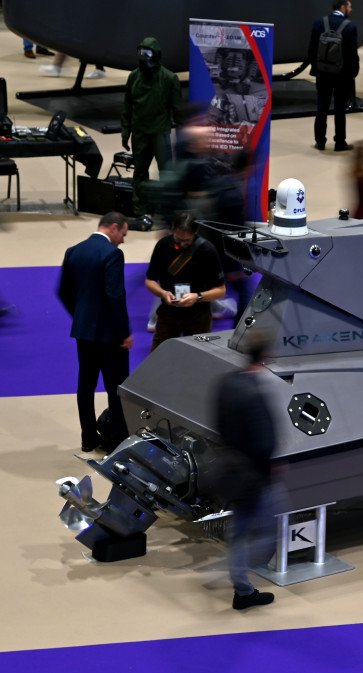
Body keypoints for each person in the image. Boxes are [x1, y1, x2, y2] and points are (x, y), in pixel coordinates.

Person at [214, 333, 281, 611]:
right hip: (255, 476)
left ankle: (241, 583)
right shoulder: (256, 393)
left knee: (241, 529)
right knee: (267, 532)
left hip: (231, 468)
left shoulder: (227, 382)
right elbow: (265, 442)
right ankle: (239, 578)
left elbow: (219, 424)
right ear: (264, 357)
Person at [57, 212, 133, 453]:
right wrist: (124, 333)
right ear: (114, 227)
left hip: (84, 332)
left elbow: (63, 291)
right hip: (110, 335)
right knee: (116, 387)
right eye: (123, 234)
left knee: (85, 385)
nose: (123, 240)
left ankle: (88, 439)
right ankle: (117, 441)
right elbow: (115, 296)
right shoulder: (112, 254)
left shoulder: (74, 251)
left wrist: (80, 316)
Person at [121, 37, 184, 228]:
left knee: (166, 174)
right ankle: (141, 212)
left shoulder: (169, 78)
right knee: (140, 173)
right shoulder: (134, 76)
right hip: (140, 133)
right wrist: (125, 132)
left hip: (160, 133)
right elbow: (127, 107)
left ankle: (168, 213)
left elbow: (177, 109)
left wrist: (182, 137)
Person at [144, 213, 227, 352]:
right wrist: (163, 293)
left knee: (197, 359)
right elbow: (150, 281)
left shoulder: (207, 251)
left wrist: (197, 297)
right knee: (158, 357)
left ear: (195, 233)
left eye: (187, 240)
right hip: (167, 314)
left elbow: (221, 291)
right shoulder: (163, 245)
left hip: (198, 317)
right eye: (178, 239)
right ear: (172, 230)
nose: (182, 244)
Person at [308, 0, 360, 152]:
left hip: (322, 73)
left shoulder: (319, 23)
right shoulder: (350, 26)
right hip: (341, 75)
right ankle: (340, 142)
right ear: (343, 7)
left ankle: (320, 141)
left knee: (321, 107)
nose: (351, 9)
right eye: (349, 6)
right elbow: (352, 55)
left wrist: (317, 68)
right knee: (340, 109)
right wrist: (353, 73)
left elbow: (311, 50)